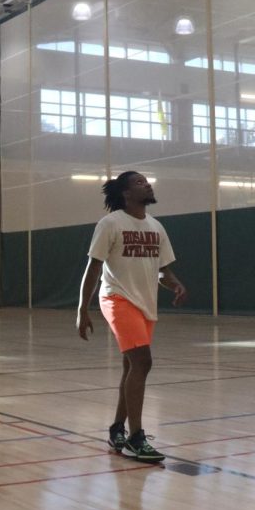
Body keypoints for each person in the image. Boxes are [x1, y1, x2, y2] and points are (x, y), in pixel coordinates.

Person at [76, 171, 187, 462]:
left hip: (145, 303)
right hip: (116, 297)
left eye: (147, 181)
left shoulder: (156, 227)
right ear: (125, 193)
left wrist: (173, 282)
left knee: (131, 367)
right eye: (139, 182)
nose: (147, 184)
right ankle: (136, 438)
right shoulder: (110, 223)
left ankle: (116, 429)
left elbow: (162, 269)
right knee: (143, 361)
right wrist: (81, 309)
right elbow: (94, 268)